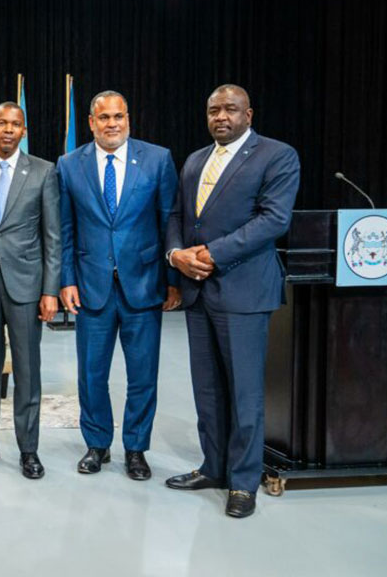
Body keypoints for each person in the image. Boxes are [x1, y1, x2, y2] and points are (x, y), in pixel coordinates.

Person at [164, 84, 300, 518]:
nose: (221, 116)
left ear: (249, 114)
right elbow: (178, 217)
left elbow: (274, 219)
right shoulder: (195, 160)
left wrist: (211, 254)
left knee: (244, 392)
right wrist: (176, 255)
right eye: (213, 110)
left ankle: (243, 482)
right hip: (198, 291)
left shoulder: (277, 155)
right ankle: (214, 466)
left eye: (231, 109)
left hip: (242, 289)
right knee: (207, 388)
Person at [56, 91, 180, 480]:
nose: (112, 124)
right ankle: (97, 445)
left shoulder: (158, 159)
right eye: (104, 118)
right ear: (91, 122)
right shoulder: (69, 164)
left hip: (143, 285)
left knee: (142, 375)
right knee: (91, 374)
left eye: (119, 116)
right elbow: (65, 229)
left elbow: (169, 223)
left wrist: (172, 281)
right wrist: (66, 280)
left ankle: (136, 448)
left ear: (129, 118)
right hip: (91, 287)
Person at [0, 102, 60, 479]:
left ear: (24, 131)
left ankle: (29, 449)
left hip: (26, 286)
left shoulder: (43, 171)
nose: (7, 129)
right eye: (1, 123)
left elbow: (52, 235)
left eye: (15, 124)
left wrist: (50, 289)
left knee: (27, 371)